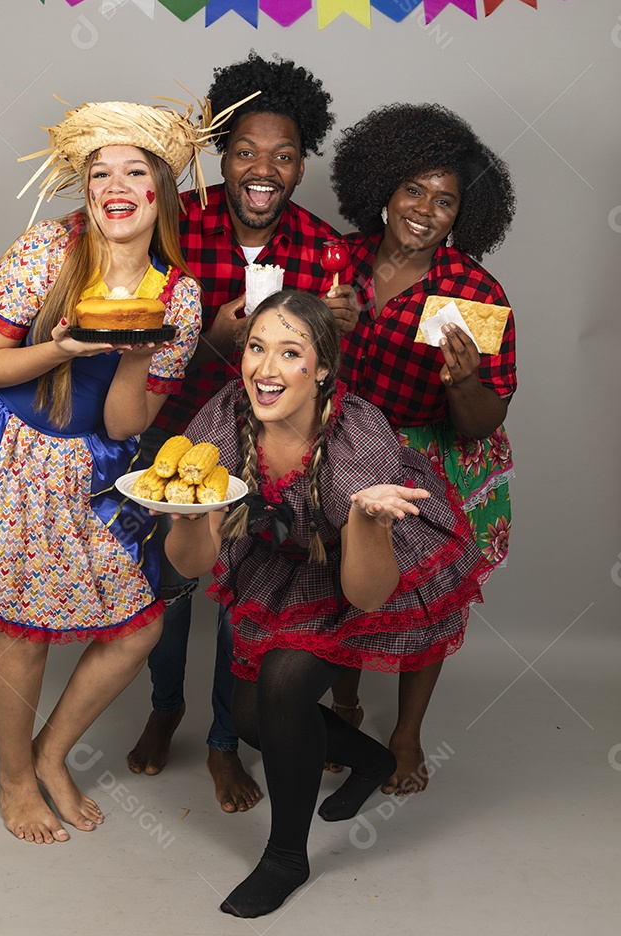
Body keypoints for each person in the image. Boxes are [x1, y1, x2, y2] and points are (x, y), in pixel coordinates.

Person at [0, 94, 244, 843]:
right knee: (24, 633)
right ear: (86, 190)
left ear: (162, 189)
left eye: (133, 171)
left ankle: (51, 754)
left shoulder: (179, 297)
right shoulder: (46, 253)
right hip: (8, 448)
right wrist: (64, 346)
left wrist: (137, 353)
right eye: (98, 174)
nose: (114, 187)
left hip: (93, 466)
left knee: (137, 629)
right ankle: (14, 779)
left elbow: (125, 424)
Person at [156, 290, 492, 917]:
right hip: (281, 564)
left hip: (373, 566)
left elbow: (367, 593)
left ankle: (287, 856)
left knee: (284, 685)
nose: (265, 368)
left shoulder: (355, 441)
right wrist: (184, 516)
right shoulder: (223, 420)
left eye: (290, 353)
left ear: (323, 371)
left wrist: (367, 521)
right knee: (254, 720)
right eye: (257, 348)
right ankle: (371, 762)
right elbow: (193, 563)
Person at [127, 52, 360, 813]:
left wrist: (337, 331)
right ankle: (167, 708)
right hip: (167, 434)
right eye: (247, 151)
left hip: (263, 457)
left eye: (284, 155)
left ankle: (226, 742)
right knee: (169, 586)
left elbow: (322, 373)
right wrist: (204, 343)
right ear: (223, 157)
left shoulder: (325, 252)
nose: (264, 167)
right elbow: (125, 327)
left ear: (300, 167)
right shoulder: (171, 222)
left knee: (241, 601)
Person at [329, 102, 517, 795]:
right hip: (347, 444)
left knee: (429, 598)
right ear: (385, 187)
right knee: (343, 580)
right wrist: (328, 327)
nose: (424, 210)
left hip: (430, 455)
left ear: (461, 216)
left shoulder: (470, 293)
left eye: (445, 201)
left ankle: (405, 734)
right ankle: (343, 706)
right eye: (414, 189)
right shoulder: (336, 260)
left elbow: (480, 420)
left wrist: (464, 380)